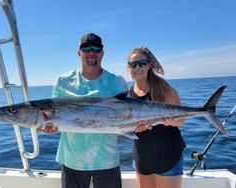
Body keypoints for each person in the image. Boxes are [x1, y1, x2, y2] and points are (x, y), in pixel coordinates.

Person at [38, 33, 129, 188]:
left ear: (102, 53)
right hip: (72, 160)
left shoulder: (117, 81)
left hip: (107, 159)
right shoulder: (63, 81)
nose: (91, 52)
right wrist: (48, 129)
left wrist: (139, 125)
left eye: (96, 48)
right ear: (79, 52)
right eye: (86, 48)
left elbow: (129, 114)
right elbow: (53, 123)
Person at [127, 47, 186, 188]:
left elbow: (181, 120)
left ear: (149, 65)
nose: (138, 67)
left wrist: (169, 121)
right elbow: (128, 126)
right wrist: (136, 128)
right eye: (133, 64)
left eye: (142, 63)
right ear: (128, 67)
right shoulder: (128, 94)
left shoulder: (164, 89)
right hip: (143, 156)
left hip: (168, 155)